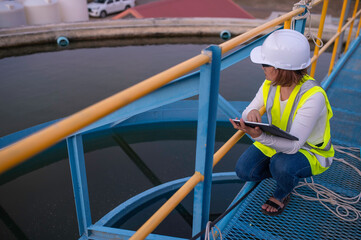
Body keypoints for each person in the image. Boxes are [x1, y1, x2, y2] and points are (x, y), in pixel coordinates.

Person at [229, 29, 334, 216]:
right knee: (244, 170)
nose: (262, 67)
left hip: (310, 151)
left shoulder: (313, 96)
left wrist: (259, 136)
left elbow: (294, 146)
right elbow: (249, 109)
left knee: (282, 165)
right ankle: (285, 174)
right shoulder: (270, 83)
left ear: (279, 68)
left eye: (265, 63)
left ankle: (282, 192)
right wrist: (252, 112)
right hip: (278, 141)